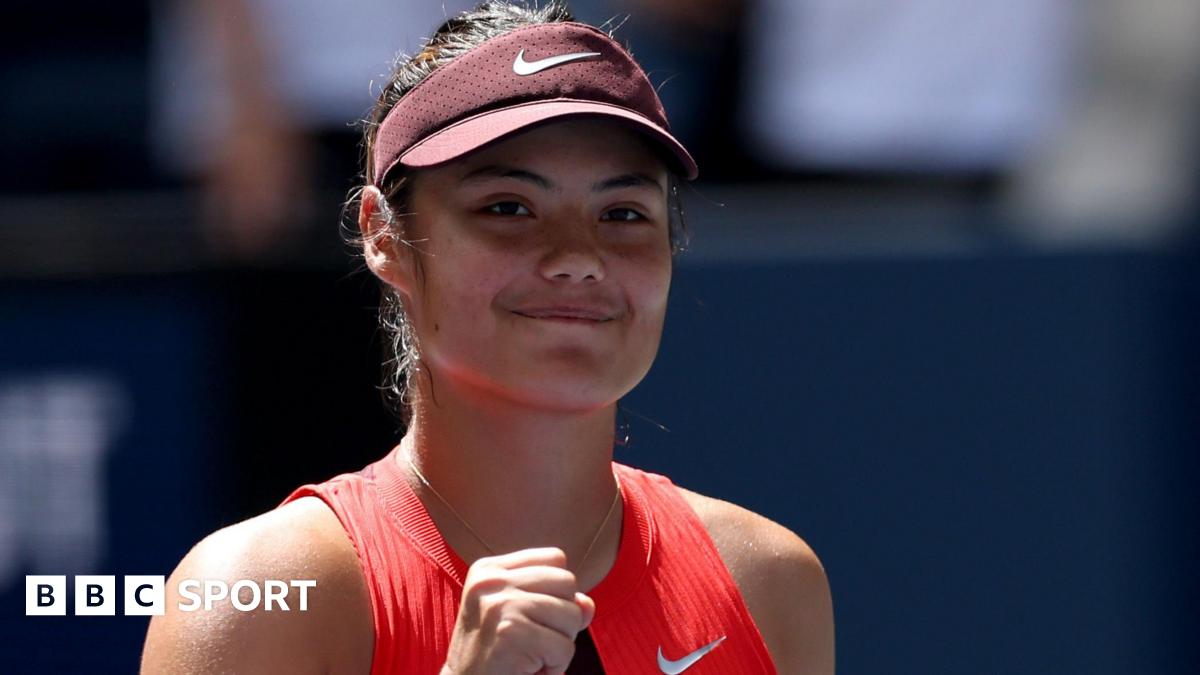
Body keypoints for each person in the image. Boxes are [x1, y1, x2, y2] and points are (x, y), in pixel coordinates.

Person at [140, 2, 834, 673]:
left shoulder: (769, 582)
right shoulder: (254, 594)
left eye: (623, 213)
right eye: (508, 207)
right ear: (384, 234)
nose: (577, 256)